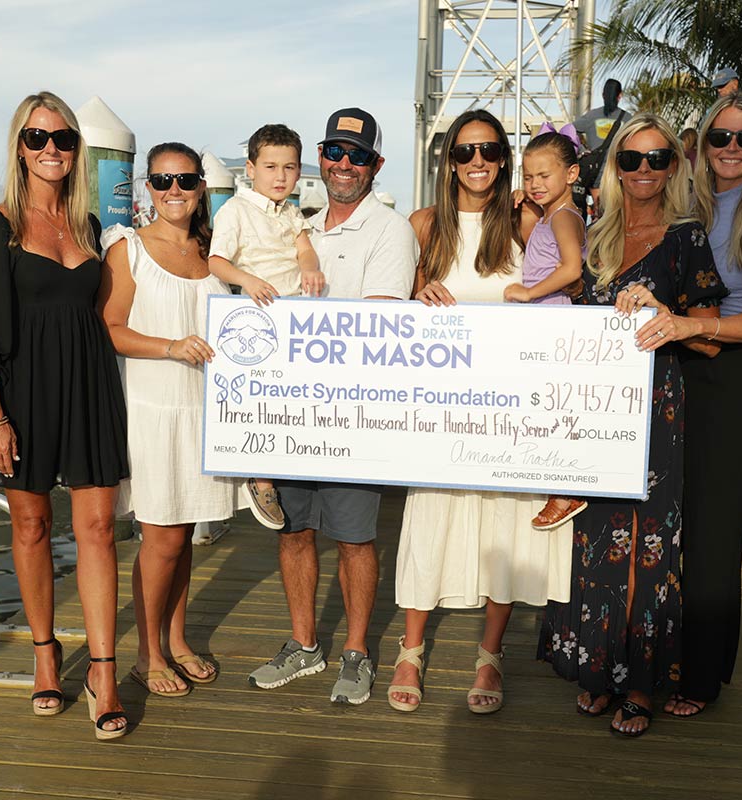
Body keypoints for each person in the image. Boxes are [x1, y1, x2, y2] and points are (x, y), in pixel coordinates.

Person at [537, 112, 726, 737]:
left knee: (648, 548)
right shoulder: (594, 235)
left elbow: (707, 340)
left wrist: (665, 310)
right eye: (630, 159)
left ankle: (641, 683)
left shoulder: (687, 236)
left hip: (655, 413)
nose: (643, 170)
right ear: (614, 167)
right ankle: (599, 673)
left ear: (675, 165)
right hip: (591, 413)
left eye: (657, 158)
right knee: (594, 543)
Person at [388, 109, 571, 715]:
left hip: (509, 411)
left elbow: (569, 282)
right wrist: (418, 291)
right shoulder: (423, 225)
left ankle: (490, 656)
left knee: (503, 526)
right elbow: (390, 304)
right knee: (430, 523)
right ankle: (410, 650)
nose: (477, 162)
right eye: (465, 152)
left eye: (489, 150)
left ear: (504, 158)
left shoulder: (526, 222)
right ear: (449, 160)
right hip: (440, 413)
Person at [247, 107, 418, 705]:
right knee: (293, 531)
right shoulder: (300, 226)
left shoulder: (391, 230)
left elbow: (376, 325)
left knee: (353, 538)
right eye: (335, 151)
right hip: (292, 413)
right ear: (320, 156)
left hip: (354, 415)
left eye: (358, 155)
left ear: (376, 164)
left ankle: (357, 651)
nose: (344, 164)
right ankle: (304, 645)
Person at [635, 93, 742, 718]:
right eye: (719, 138)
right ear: (699, 147)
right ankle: (658, 660)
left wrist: (688, 328)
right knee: (668, 520)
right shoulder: (684, 208)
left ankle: (700, 675)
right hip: (674, 368)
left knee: (715, 526)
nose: (731, 149)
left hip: (730, 374)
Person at [0, 91, 128, 740]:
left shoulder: (92, 226)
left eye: (64, 139)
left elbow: (110, 313)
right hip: (23, 390)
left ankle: (103, 669)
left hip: (90, 383)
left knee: (98, 529)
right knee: (34, 524)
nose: (51, 149)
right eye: (39, 138)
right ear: (19, 146)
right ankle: (46, 656)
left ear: (76, 149)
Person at [100, 142, 240, 697]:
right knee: (159, 537)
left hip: (205, 411)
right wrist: (170, 347)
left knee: (184, 534)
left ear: (201, 187)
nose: (174, 192)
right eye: (162, 181)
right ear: (147, 188)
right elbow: (109, 327)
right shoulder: (127, 249)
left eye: (185, 181)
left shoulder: (214, 253)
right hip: (154, 410)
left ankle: (177, 640)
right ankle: (147, 652)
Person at [208, 124, 325, 530]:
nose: (280, 177)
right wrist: (247, 280)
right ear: (250, 168)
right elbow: (217, 261)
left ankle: (292, 459)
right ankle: (260, 480)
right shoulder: (235, 211)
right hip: (258, 316)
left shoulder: (293, 213)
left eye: (290, 168)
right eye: (271, 167)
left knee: (288, 398)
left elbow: (305, 249)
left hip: (295, 317)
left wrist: (310, 268)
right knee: (261, 400)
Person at [503, 122, 588, 531]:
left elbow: (573, 269)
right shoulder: (548, 214)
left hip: (553, 319)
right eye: (528, 175)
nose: (535, 183)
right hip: (544, 321)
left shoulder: (565, 218)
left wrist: (528, 292)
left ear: (571, 175)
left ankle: (566, 488)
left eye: (544, 175)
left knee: (553, 407)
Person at [574, 79, 627, 210]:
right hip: (618, 173)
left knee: (597, 212)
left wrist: (582, 150)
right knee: (614, 212)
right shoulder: (628, 119)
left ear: (603, 95)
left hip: (595, 172)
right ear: (620, 95)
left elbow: (569, 130)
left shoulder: (591, 116)